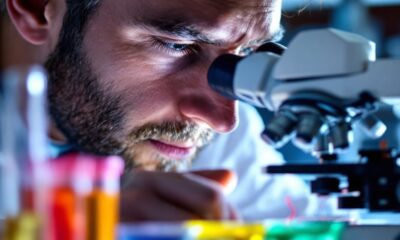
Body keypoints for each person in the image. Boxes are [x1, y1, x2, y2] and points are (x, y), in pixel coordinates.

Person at [3, 0, 309, 221]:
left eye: (246, 52)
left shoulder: (202, 134)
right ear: (37, 8)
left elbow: (305, 219)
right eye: (177, 45)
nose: (223, 120)